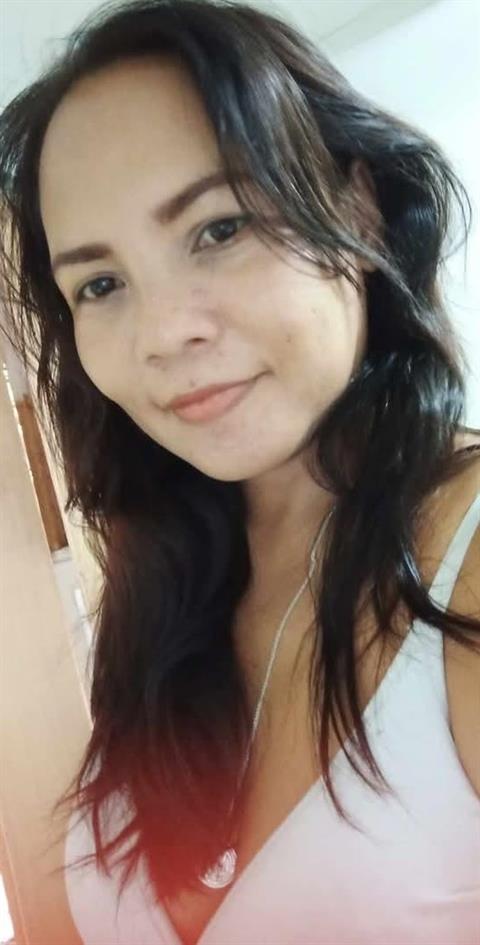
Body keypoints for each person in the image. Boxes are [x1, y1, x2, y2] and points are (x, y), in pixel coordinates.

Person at [1, 1, 479, 942]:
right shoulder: (165, 576)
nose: (163, 332)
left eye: (218, 229)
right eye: (101, 284)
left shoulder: (464, 559)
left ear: (357, 206)